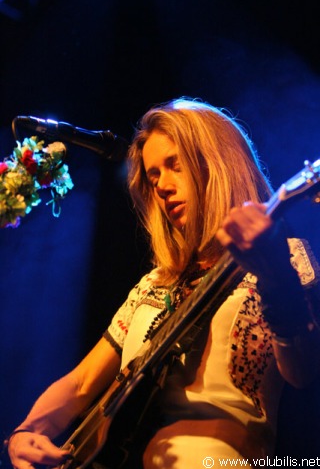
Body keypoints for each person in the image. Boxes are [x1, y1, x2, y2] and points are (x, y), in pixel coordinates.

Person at [5, 98, 320, 469]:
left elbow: (303, 372)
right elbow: (81, 383)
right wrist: (26, 431)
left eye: (175, 165)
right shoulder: (154, 282)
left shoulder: (287, 256)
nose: (162, 187)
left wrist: (275, 277)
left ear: (217, 163)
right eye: (153, 177)